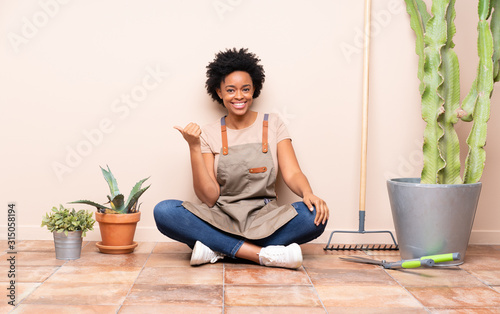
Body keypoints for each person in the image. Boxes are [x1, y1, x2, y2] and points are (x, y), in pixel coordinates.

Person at [154, 48, 329, 269]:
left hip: (265, 217)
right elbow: (208, 198)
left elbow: (292, 173)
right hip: (221, 217)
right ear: (219, 92)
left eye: (245, 89)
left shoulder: (273, 124)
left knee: (313, 216)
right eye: (231, 90)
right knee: (165, 211)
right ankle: (261, 255)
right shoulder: (208, 133)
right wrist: (194, 147)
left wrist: (308, 193)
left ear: (254, 89)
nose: (239, 96)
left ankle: (219, 248)